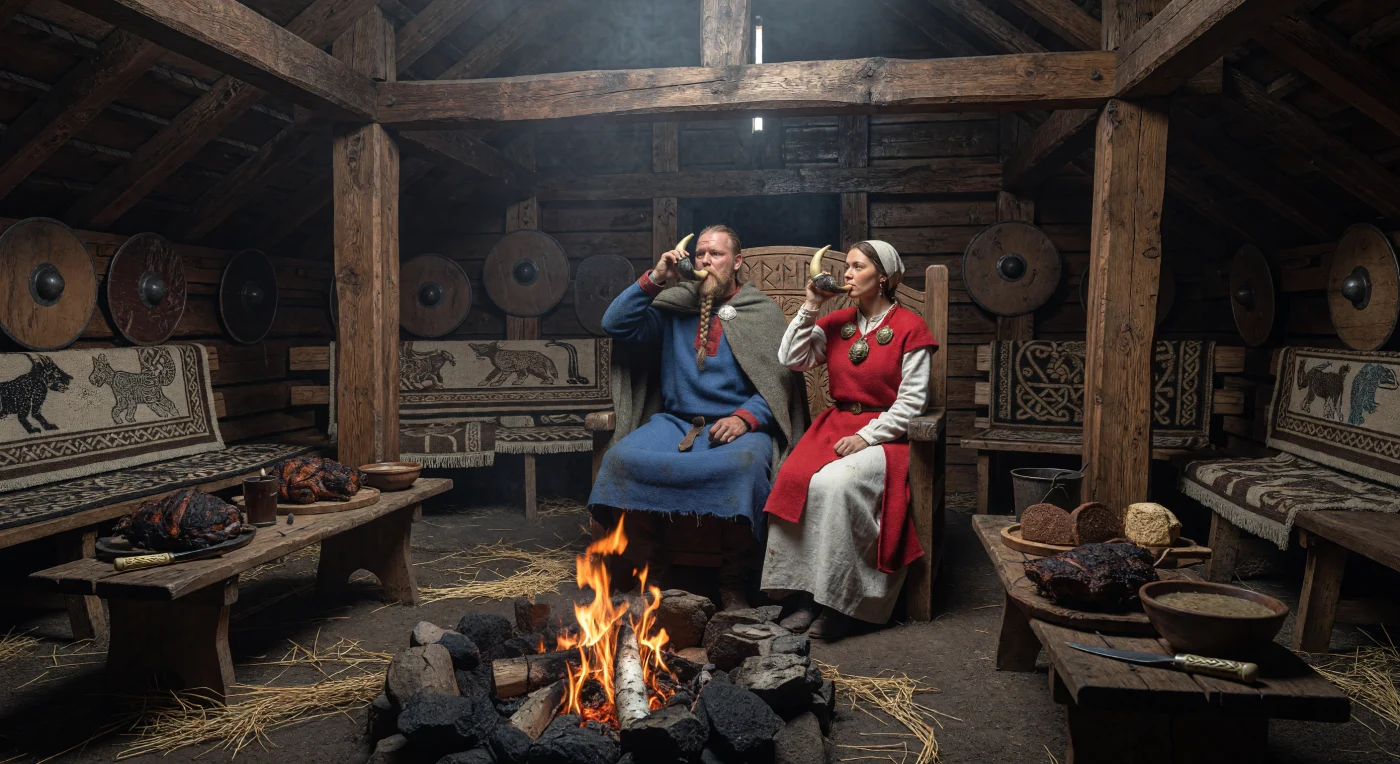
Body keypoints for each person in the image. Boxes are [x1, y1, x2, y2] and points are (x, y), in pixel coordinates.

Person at [589, 225, 806, 611]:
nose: (707, 260)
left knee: (743, 468)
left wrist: (746, 418)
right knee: (622, 460)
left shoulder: (762, 312)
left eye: (717, 254)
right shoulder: (674, 304)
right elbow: (614, 324)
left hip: (737, 426)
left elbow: (780, 382)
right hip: (675, 422)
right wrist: (656, 280)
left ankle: (733, 582)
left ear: (737, 262)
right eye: (701, 253)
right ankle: (650, 575)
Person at [761, 240, 938, 640]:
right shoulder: (838, 322)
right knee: (792, 479)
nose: (847, 274)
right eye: (848, 267)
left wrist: (867, 436)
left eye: (858, 267)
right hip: (835, 425)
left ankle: (838, 603)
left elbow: (912, 403)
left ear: (885, 278)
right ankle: (804, 596)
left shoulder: (911, 328)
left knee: (834, 484)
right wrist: (810, 305)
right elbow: (791, 358)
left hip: (887, 434)